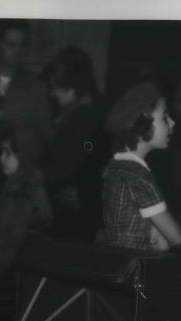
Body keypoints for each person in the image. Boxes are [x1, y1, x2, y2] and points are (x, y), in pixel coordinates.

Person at [100, 81, 181, 252]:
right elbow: (176, 238)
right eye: (164, 116)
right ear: (143, 122)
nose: (172, 123)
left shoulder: (115, 167)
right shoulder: (138, 176)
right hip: (138, 263)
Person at [43, 46, 107, 240]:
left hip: (75, 211)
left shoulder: (80, 121)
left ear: (71, 89)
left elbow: (74, 160)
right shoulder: (96, 109)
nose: (51, 94)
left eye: (54, 88)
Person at [0, 126, 52, 308]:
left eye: (7, 153)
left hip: (14, 281)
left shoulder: (24, 194)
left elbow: (8, 243)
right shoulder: (12, 188)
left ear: (24, 156)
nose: (1, 158)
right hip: (10, 278)